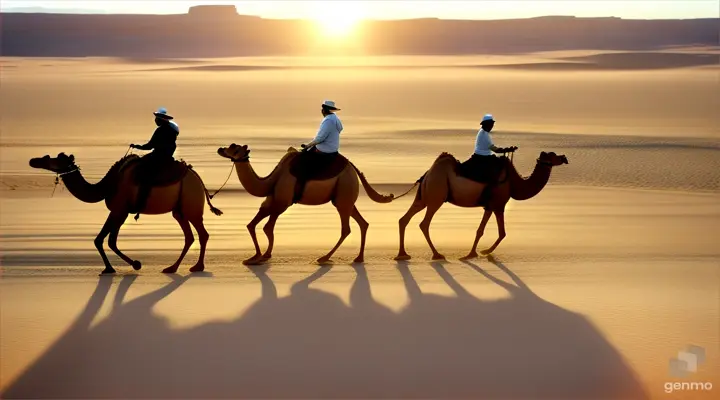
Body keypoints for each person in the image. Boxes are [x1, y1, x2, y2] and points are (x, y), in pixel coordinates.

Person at [129, 107, 180, 219]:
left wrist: (137, 147)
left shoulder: (161, 130)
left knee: (143, 172)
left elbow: (150, 145)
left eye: (157, 119)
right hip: (165, 156)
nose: (155, 121)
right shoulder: (171, 130)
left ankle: (141, 200)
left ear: (161, 120)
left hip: (159, 157)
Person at [293, 100, 344, 200]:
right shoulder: (336, 119)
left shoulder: (328, 121)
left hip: (325, 150)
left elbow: (320, 138)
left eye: (323, 109)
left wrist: (308, 146)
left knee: (302, 162)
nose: (322, 110)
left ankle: (299, 191)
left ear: (324, 110)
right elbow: (340, 129)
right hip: (333, 149)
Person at [464, 113, 517, 205]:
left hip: (485, 156)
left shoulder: (484, 133)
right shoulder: (484, 135)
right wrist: (507, 149)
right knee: (492, 175)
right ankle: (486, 196)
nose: (492, 126)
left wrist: (507, 149)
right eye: (490, 124)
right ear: (486, 124)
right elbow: (494, 149)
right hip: (482, 158)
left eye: (492, 124)